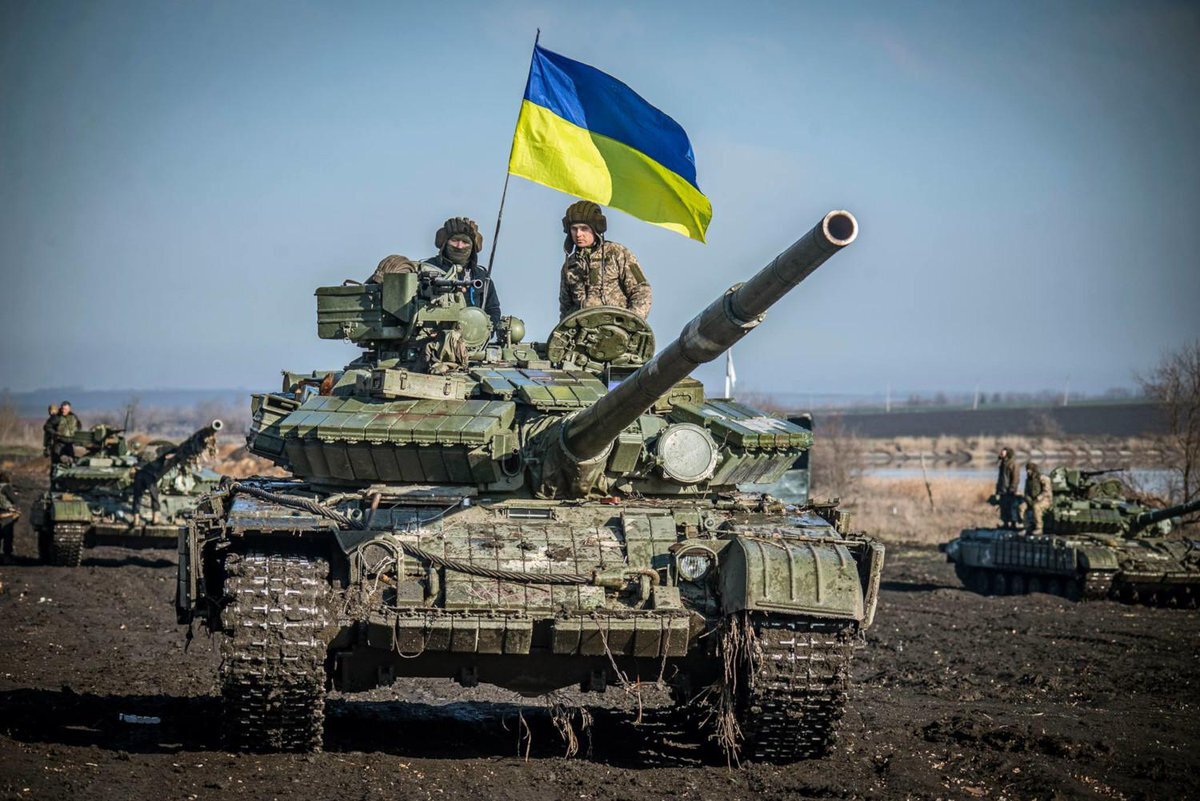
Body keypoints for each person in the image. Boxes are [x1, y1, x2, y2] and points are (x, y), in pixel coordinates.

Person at [367, 217, 502, 330]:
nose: (459, 246)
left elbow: (493, 309)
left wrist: (485, 332)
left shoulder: (481, 277)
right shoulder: (426, 269)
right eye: (455, 240)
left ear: (472, 247)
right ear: (444, 243)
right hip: (428, 336)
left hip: (469, 339)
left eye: (465, 242)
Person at [558, 201, 652, 320]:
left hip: (616, 326)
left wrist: (630, 322)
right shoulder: (570, 266)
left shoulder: (617, 253)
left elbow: (642, 291)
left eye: (584, 228)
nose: (578, 234)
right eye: (574, 229)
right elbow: (565, 308)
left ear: (596, 229)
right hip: (583, 329)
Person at [1023, 461, 1053, 535]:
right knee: (1022, 507)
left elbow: (1047, 491)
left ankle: (1039, 528)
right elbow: (1026, 492)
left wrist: (1038, 498)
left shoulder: (1042, 478)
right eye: (1027, 470)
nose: (1028, 471)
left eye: (1029, 470)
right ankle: (1027, 527)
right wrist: (1028, 499)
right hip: (1032, 500)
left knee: (1036, 507)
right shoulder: (1028, 480)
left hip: (1045, 500)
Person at [995, 447, 1021, 529]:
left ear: (1008, 453)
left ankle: (1013, 524)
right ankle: (1005, 524)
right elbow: (1000, 478)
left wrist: (1012, 488)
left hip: (1010, 490)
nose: (1001, 452)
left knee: (1012, 507)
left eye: (1003, 451)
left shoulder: (1013, 464)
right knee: (1003, 507)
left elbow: (1016, 478)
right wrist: (998, 489)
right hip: (1002, 490)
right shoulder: (1002, 463)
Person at [0, 470, 17, 564]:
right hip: (5, 514)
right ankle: (7, 557)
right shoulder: (6, 487)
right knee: (8, 537)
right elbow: (14, 499)